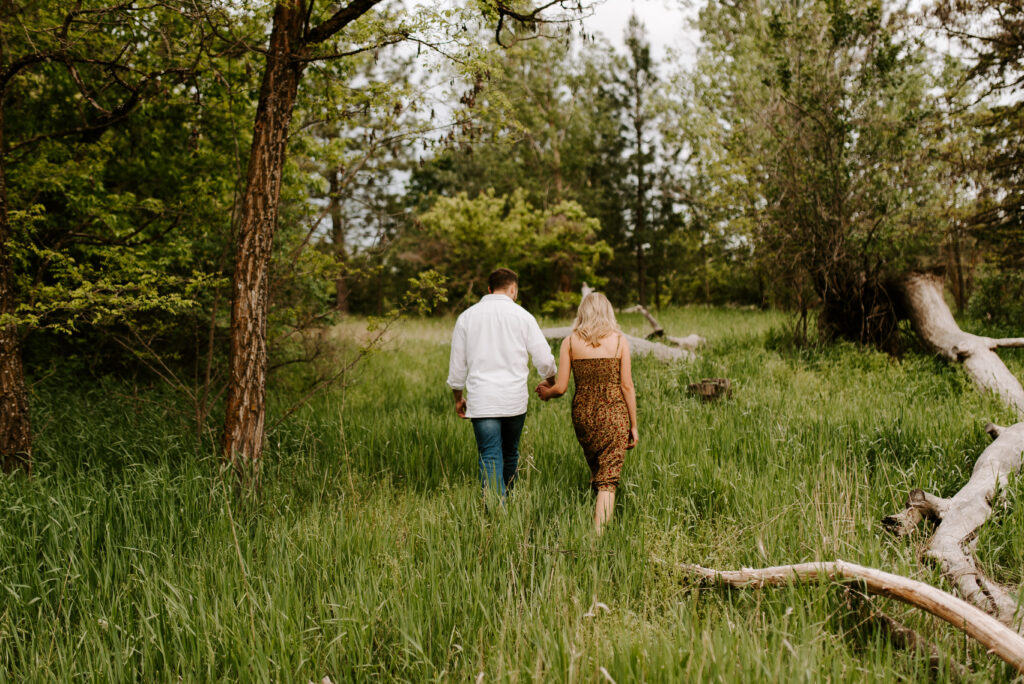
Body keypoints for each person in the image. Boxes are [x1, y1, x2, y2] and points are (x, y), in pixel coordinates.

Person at [447, 268, 557, 498]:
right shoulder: (523, 316)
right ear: (513, 289)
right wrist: (551, 381)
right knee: (510, 452)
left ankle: (496, 513)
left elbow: (457, 367)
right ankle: (509, 503)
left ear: (489, 289)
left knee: (489, 455)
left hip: (482, 400)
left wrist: (458, 399)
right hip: (513, 399)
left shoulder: (467, 317)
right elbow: (545, 359)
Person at [536, 292, 637, 533]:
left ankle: (594, 512)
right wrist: (633, 425)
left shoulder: (570, 342)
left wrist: (546, 392)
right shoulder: (619, 340)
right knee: (608, 480)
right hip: (614, 412)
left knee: (598, 468)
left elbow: (560, 387)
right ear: (608, 312)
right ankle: (597, 538)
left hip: (583, 414)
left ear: (583, 312)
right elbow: (627, 386)